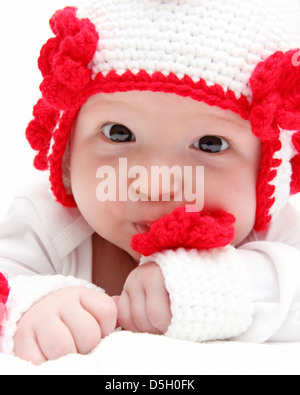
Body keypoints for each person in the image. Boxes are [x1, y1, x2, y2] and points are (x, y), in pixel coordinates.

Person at [0, 0, 300, 365]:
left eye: (210, 144)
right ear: (67, 151)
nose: (154, 183)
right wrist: (33, 303)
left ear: (268, 172)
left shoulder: (272, 237)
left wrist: (218, 286)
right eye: (118, 133)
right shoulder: (46, 221)